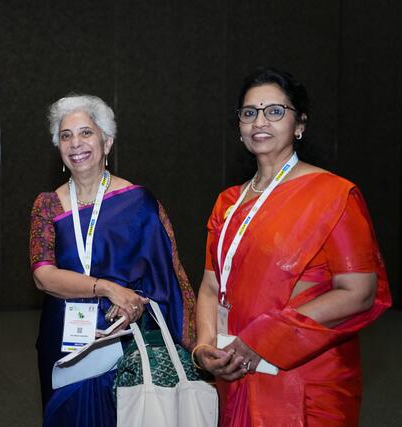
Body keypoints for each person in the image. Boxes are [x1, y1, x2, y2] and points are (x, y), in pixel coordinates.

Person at [193, 67, 391, 426]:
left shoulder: (333, 195)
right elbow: (211, 286)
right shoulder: (228, 202)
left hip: (305, 380)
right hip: (235, 369)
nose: (259, 122)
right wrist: (205, 346)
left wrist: (264, 339)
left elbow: (359, 292)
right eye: (249, 113)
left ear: (299, 124)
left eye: (274, 111)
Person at [29, 94, 197, 426]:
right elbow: (43, 276)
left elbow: (168, 278)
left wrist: (137, 303)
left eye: (86, 133)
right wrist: (106, 288)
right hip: (63, 340)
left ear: (107, 142)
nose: (76, 143)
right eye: (66, 136)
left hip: (123, 337)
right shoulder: (47, 204)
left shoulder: (138, 202)